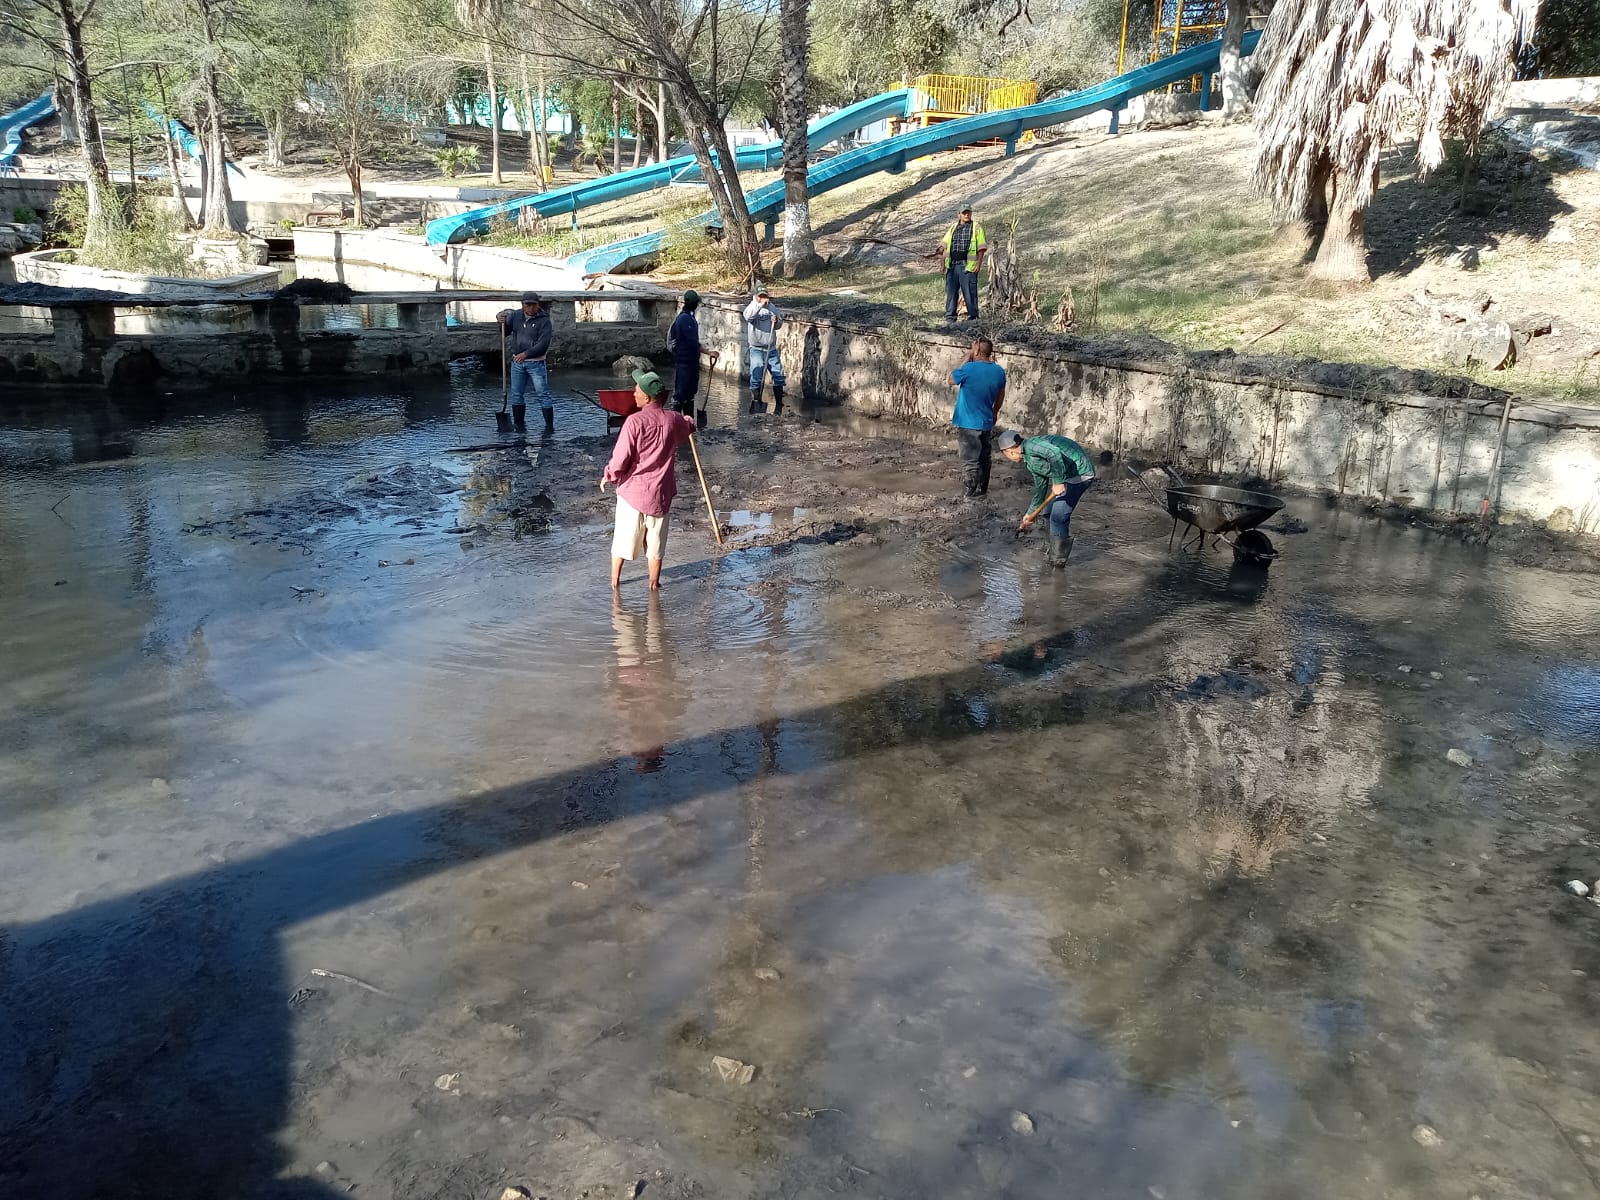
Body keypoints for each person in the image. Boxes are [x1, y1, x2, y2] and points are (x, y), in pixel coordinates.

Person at [601, 368, 698, 590]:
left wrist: (609, 475)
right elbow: (688, 428)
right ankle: (654, 585)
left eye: (636, 389)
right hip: (660, 495)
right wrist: (688, 420)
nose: (633, 393)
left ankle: (614, 586)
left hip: (633, 494)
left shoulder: (634, 422)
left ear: (646, 396)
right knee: (656, 544)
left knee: (623, 542)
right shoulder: (673, 420)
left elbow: (620, 459)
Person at [995, 428, 1097, 567]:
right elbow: (1040, 489)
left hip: (1079, 473)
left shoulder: (1032, 446)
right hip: (1067, 475)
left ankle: (1057, 562)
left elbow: (1053, 452)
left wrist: (1058, 481)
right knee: (1047, 512)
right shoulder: (1030, 460)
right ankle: (1052, 548)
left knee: (1058, 516)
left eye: (1005, 455)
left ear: (1010, 451)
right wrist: (1030, 514)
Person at [948, 336, 1006, 497]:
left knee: (970, 460)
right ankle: (983, 491)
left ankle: (968, 494)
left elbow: (951, 379)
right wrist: (995, 412)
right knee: (984, 457)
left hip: (968, 423)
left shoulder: (969, 368)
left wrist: (966, 358)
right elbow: (1001, 395)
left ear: (977, 351)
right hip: (986, 421)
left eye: (973, 348)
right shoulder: (999, 371)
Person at [496, 291, 555, 434]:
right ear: (523, 305)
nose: (530, 308)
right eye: (527, 305)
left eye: (533, 305)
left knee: (542, 394)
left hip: (536, 363)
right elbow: (505, 332)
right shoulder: (516, 316)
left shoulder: (544, 321)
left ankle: (549, 427)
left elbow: (543, 344)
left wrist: (526, 354)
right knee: (516, 394)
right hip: (518, 362)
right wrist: (502, 322)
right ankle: (519, 425)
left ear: (538, 305)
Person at [667, 288, 719, 429]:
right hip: (685, 362)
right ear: (695, 304)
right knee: (681, 394)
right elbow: (692, 342)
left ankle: (688, 426)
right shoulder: (685, 319)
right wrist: (709, 352)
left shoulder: (688, 317)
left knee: (689, 394)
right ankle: (676, 426)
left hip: (690, 361)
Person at [940, 204, 987, 323]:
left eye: (968, 212)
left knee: (970, 294)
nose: (966, 215)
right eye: (964, 213)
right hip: (952, 266)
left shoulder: (976, 227)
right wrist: (942, 264)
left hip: (967, 267)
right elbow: (944, 247)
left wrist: (979, 264)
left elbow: (981, 248)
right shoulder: (953, 227)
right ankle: (950, 319)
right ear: (959, 214)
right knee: (951, 294)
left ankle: (973, 319)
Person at [743, 286, 786, 416]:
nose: (764, 299)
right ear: (756, 296)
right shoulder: (752, 307)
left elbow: (779, 324)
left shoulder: (772, 308)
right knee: (757, 375)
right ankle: (757, 400)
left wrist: (777, 321)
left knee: (778, 374)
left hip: (771, 349)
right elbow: (748, 317)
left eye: (765, 296)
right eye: (761, 296)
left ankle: (779, 404)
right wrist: (759, 305)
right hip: (756, 349)